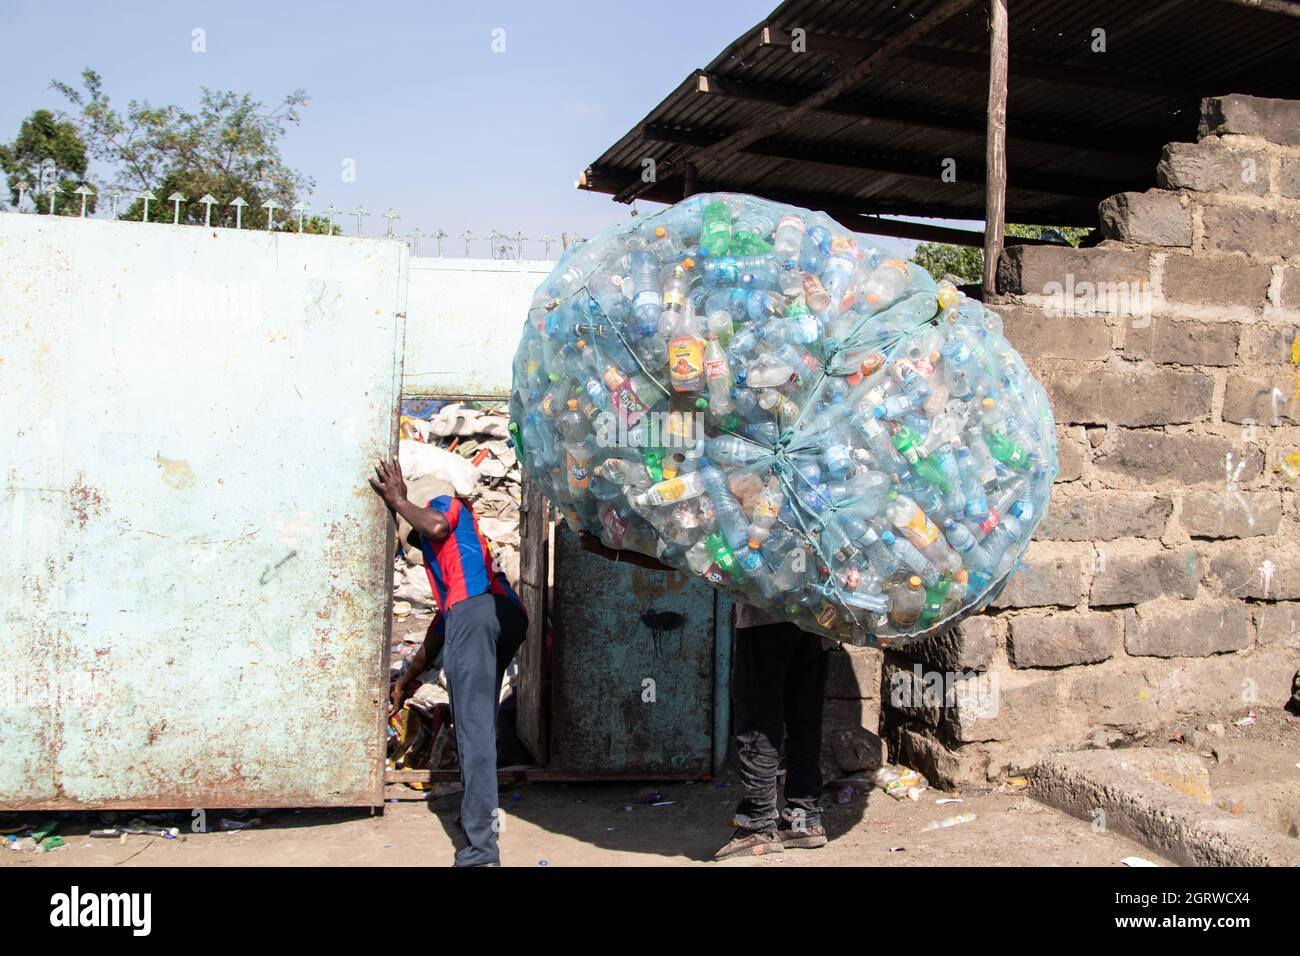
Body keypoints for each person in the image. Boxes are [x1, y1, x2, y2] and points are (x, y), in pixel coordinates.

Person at [576, 532, 828, 861]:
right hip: (817, 617)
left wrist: (615, 553)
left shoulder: (753, 506)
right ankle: (804, 819)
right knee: (804, 718)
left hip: (764, 619)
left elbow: (693, 559)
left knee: (758, 721)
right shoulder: (806, 506)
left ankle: (757, 825)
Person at [370, 457, 527, 867]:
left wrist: (399, 500)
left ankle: (480, 853)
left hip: (476, 617)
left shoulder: (446, 505)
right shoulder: (461, 558)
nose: (420, 544)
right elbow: (438, 631)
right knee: (477, 721)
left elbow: (435, 525)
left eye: (414, 534)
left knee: (472, 732)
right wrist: (407, 680)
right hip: (502, 616)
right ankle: (478, 813)